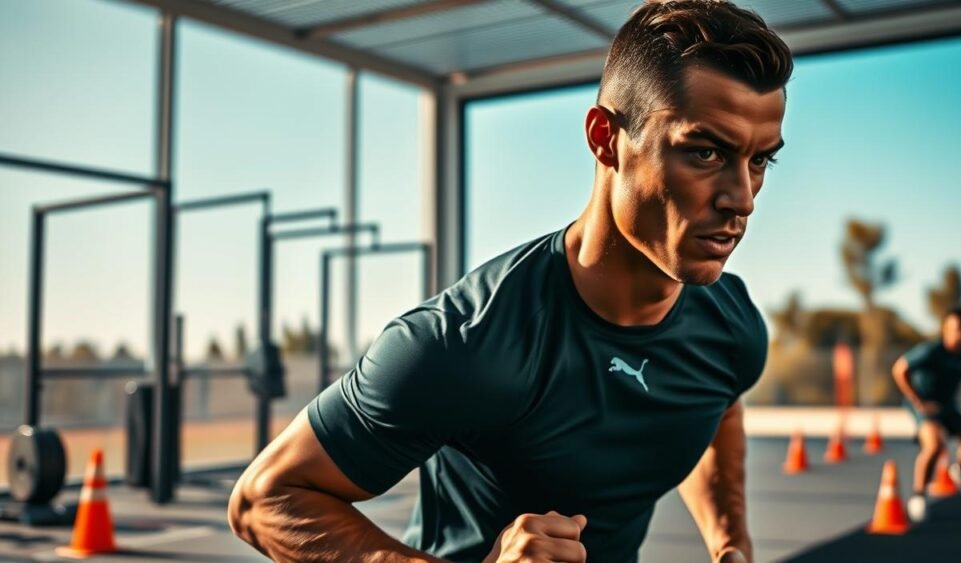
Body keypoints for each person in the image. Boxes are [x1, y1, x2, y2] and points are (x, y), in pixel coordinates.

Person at [228, 1, 791, 561]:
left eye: (760, 160)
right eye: (704, 151)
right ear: (605, 139)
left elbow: (715, 406)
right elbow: (266, 500)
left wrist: (729, 542)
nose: (741, 198)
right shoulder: (463, 343)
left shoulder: (730, 324)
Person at [892, 305, 961, 523]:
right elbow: (899, 369)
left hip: (949, 406)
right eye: (955, 329)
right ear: (945, 330)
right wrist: (918, 401)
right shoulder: (931, 350)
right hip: (925, 405)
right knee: (935, 446)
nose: (959, 334)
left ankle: (960, 470)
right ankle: (919, 495)